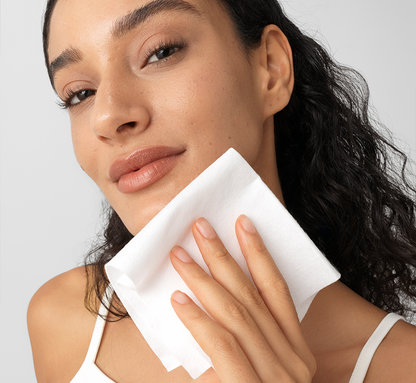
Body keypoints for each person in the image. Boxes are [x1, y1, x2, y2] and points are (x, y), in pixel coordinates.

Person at [28, 0, 416, 382]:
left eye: (161, 52)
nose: (108, 116)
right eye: (80, 93)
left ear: (271, 68)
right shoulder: (67, 320)